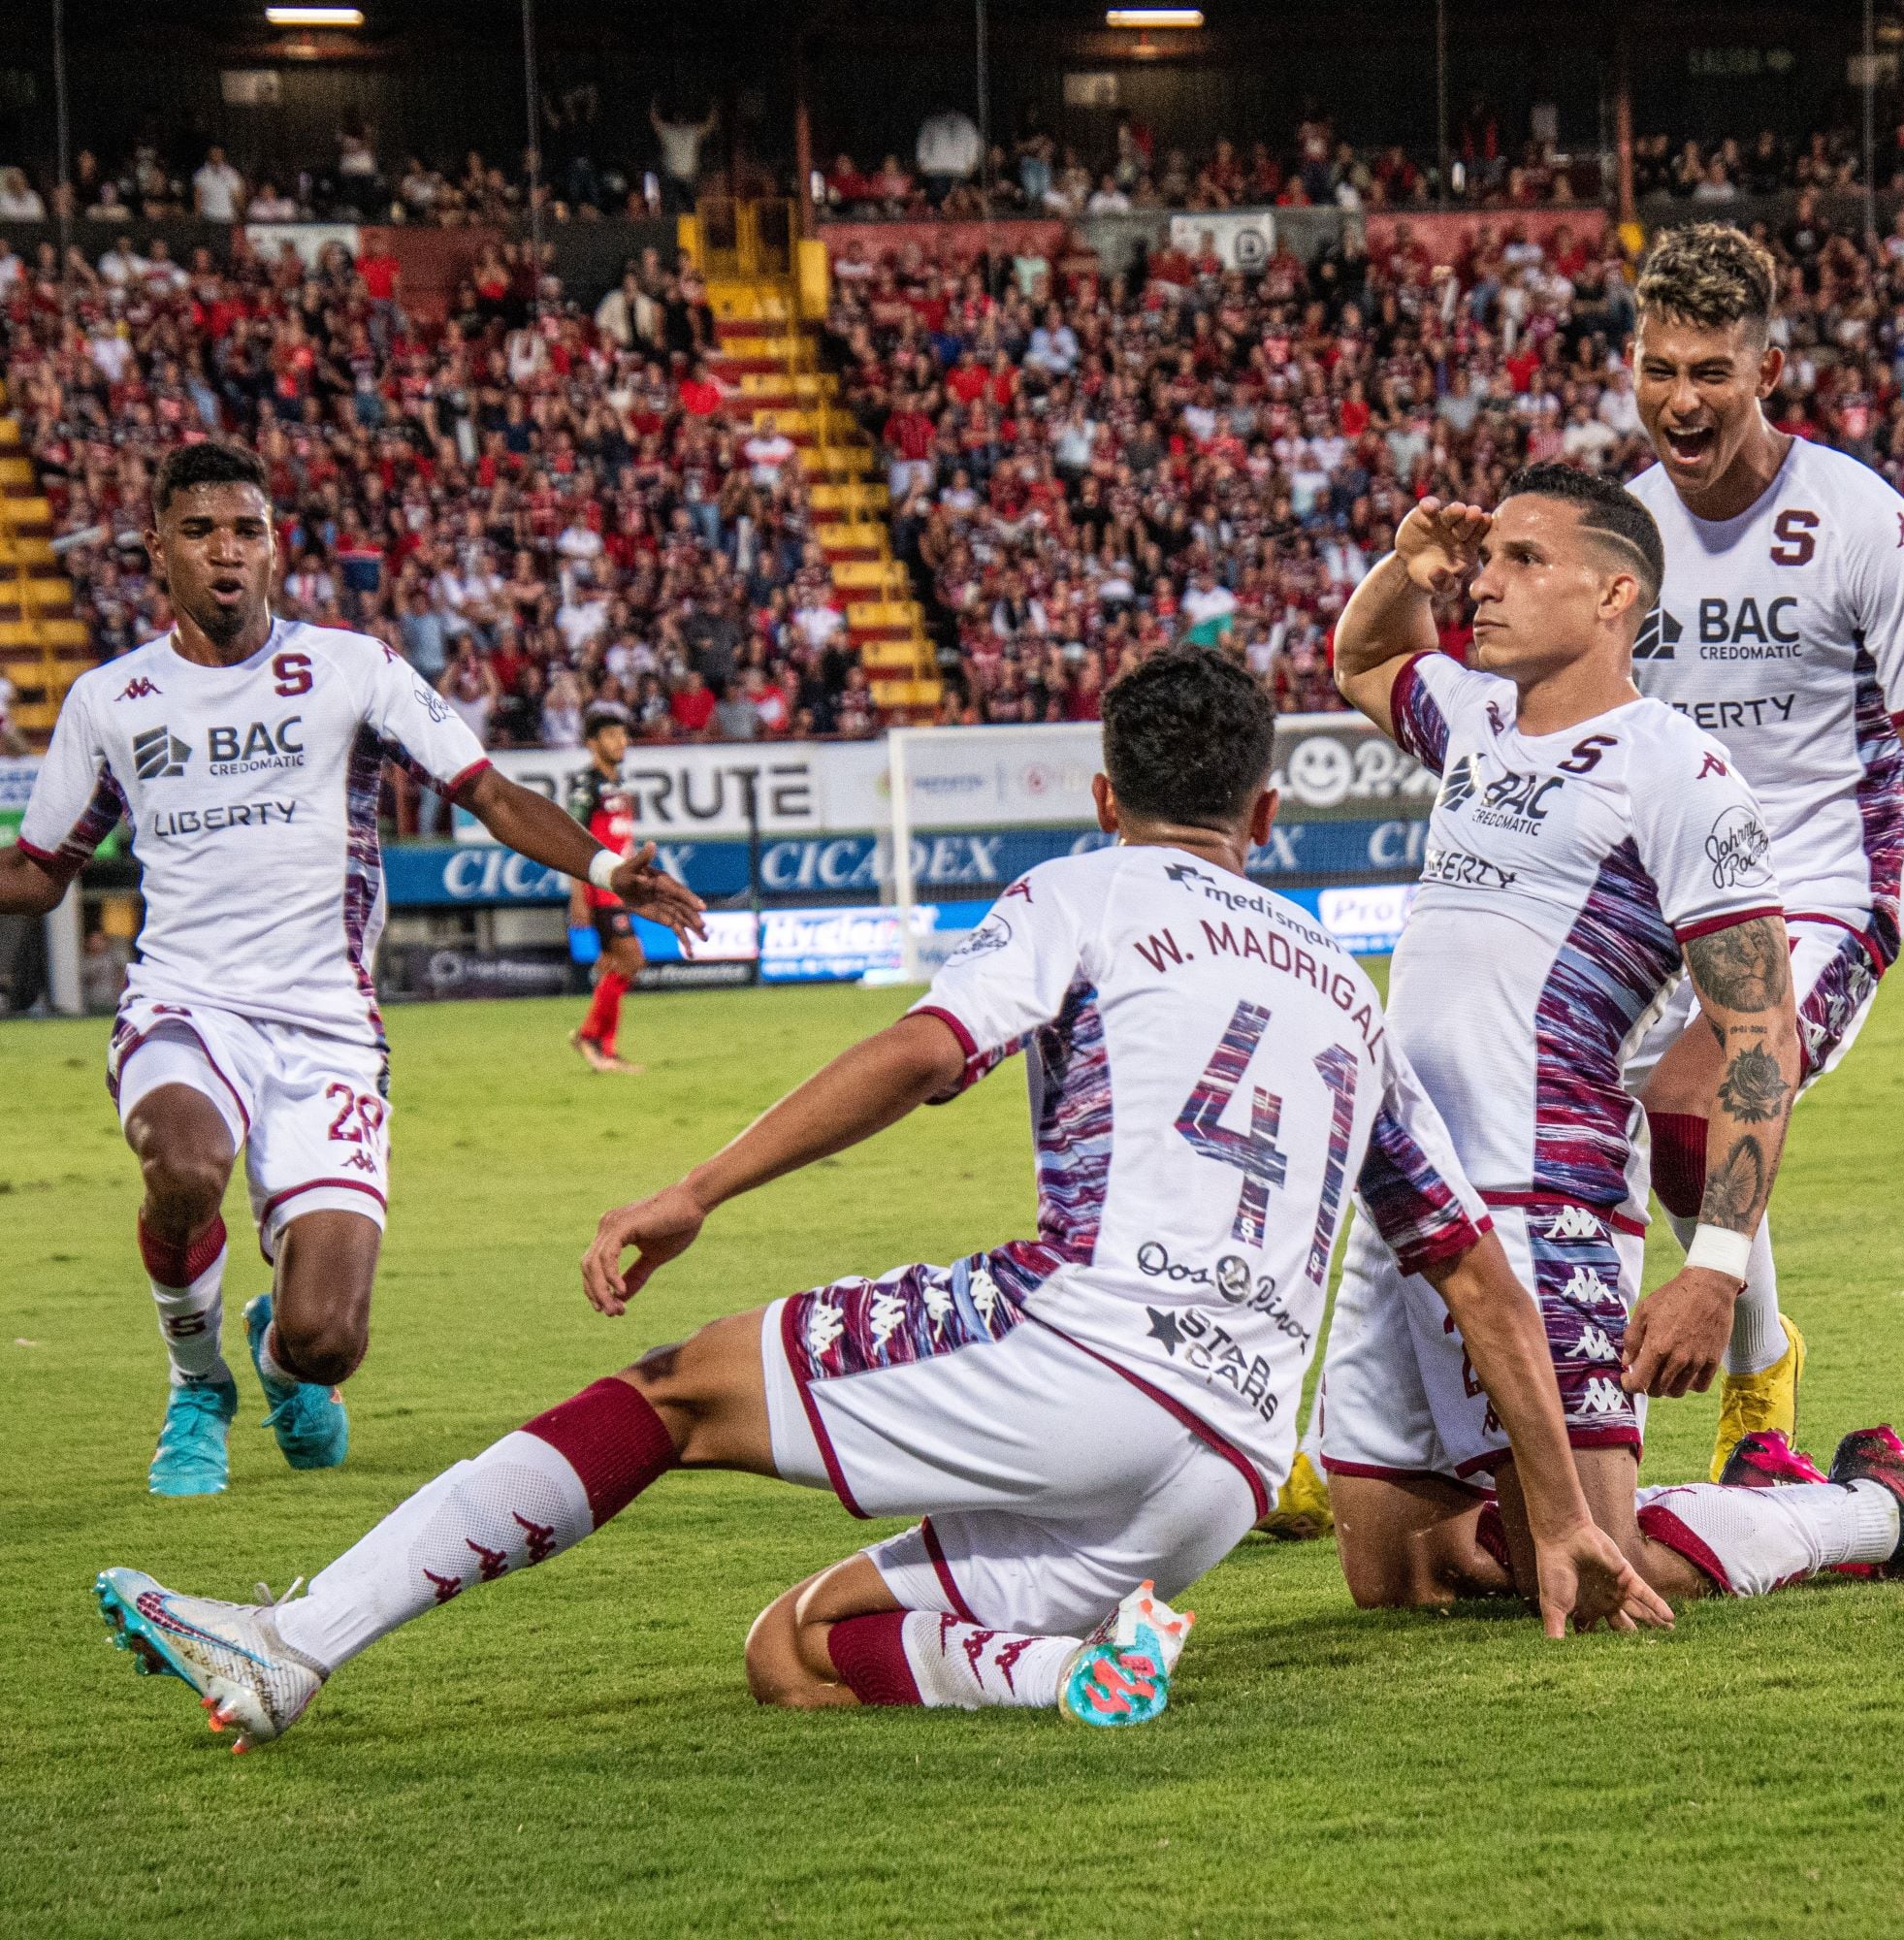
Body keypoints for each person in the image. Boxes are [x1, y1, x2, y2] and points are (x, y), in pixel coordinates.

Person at [92, 649, 1668, 1750]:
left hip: (1088, 1355)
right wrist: (1563, 1524)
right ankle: (1066, 1683)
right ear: (1270, 819)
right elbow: (1478, 1280)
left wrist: (700, 1186)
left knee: (675, 1395)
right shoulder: (1348, 988)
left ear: (1103, 797)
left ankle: (293, 1645)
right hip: (1224, 1472)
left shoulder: (1081, 890)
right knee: (797, 1652)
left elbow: (926, 1055)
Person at [1312, 469, 1904, 1619]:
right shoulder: (1475, 718)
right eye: (1486, 561)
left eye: (1520, 561)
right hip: (1407, 1192)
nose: (1484, 584)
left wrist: (1715, 1269)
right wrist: (1408, 567)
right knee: (1399, 1575)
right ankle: (1534, 1505)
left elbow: (1756, 1032)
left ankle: (1876, 1507)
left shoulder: (1680, 776)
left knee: (1603, 1573)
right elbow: (1362, 659)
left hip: (1548, 1191)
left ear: (1613, 594)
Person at [0, 442, 705, 1499]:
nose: (226, 552)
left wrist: (609, 868)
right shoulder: (112, 700)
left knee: (329, 1339)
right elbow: (37, 872)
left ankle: (277, 1355)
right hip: (186, 1006)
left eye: (247, 530)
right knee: (185, 1163)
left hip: (329, 1025)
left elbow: (491, 792)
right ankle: (198, 1386)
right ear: (158, 551)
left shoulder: (354, 668)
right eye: (200, 532)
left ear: (275, 547)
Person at [1619, 223, 1904, 1477]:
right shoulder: (1613, 534)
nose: (1683, 398)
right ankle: (1546, 1411)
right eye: (1660, 366)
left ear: (1767, 368)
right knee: (1549, 1113)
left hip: (1813, 893)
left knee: (1702, 1089)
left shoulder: (1865, 524)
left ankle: (1748, 1373)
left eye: (1711, 371)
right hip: (1657, 895)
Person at [565, 708, 647, 1072]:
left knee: (617, 964)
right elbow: (574, 843)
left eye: (623, 735)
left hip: (618, 889)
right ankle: (591, 1038)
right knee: (632, 960)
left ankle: (602, 1047)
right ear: (592, 744)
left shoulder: (620, 784)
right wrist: (577, 896)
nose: (621, 742)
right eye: (612, 736)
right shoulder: (587, 786)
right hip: (599, 890)